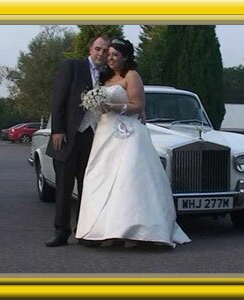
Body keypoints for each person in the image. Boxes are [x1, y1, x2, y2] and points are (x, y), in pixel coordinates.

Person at [76, 39, 191, 248]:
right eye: (108, 54)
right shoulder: (105, 77)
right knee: (100, 177)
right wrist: (97, 106)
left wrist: (111, 106)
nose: (110, 57)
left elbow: (138, 106)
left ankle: (137, 231)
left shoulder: (132, 76)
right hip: (104, 134)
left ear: (125, 57)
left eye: (115, 55)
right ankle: (103, 230)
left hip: (127, 133)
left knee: (129, 179)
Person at [44, 35, 111, 247]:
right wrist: (57, 129)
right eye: (98, 49)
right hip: (68, 136)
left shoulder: (109, 75)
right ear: (90, 48)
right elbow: (58, 99)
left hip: (95, 138)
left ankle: (83, 232)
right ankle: (61, 232)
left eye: (105, 51)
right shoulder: (72, 67)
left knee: (87, 186)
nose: (101, 53)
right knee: (63, 186)